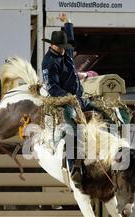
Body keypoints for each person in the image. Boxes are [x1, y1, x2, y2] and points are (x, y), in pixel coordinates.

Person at [42, 13, 85, 187]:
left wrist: (68, 23)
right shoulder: (49, 62)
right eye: (60, 46)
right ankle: (73, 166)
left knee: (103, 113)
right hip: (64, 101)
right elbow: (52, 87)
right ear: (52, 45)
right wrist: (68, 98)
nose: (63, 48)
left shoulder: (65, 50)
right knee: (71, 128)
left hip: (78, 97)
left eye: (63, 46)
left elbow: (71, 40)